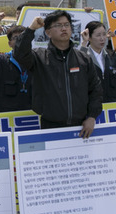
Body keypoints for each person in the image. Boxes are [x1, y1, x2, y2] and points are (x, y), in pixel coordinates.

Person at [14, 10, 103, 138]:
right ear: (48, 32)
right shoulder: (39, 57)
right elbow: (20, 53)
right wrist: (31, 29)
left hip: (82, 127)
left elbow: (95, 89)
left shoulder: (83, 59)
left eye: (66, 25)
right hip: (51, 127)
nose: (63, 29)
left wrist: (92, 117)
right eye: (58, 25)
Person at [0, 15, 33, 113]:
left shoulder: (36, 60)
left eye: (23, 37)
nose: (19, 40)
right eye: (16, 38)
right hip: (5, 115)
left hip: (30, 114)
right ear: (9, 43)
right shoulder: (1, 61)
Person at [80, 21, 116, 103]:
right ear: (89, 37)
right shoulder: (84, 56)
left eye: (104, 34)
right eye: (98, 35)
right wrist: (84, 44)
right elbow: (79, 65)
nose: (102, 38)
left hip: (113, 105)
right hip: (92, 107)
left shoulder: (113, 56)